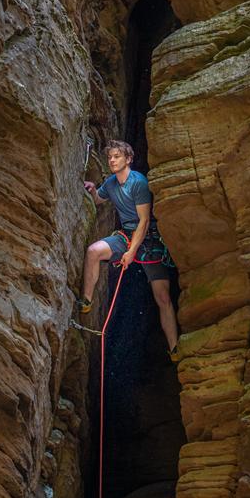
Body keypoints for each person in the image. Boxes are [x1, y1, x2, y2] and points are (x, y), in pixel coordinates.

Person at [77, 140, 178, 357]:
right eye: (110, 157)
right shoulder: (111, 183)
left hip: (149, 240)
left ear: (129, 159)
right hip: (126, 236)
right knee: (94, 251)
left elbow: (144, 221)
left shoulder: (138, 183)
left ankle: (174, 348)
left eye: (117, 157)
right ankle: (86, 301)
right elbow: (98, 199)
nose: (112, 161)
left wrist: (131, 252)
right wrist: (93, 190)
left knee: (162, 297)